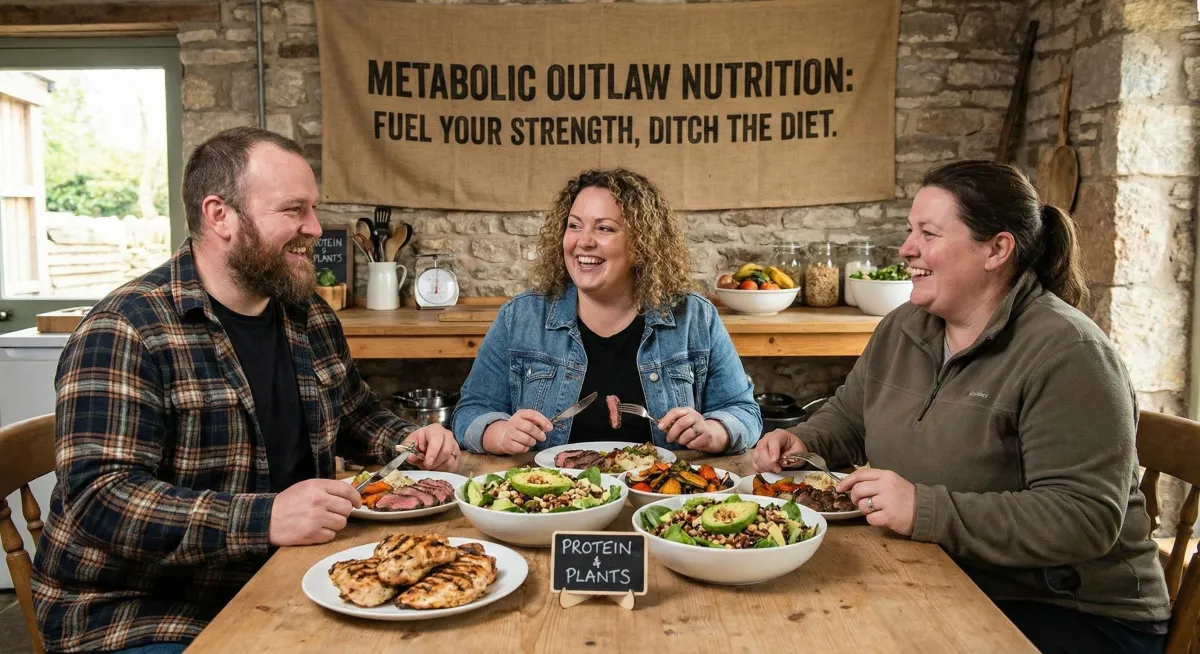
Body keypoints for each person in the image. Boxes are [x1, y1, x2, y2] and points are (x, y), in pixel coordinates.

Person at [32, 127, 460, 654]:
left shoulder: (306, 315)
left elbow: (355, 414)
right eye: (293, 210)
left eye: (313, 209)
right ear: (220, 216)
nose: (314, 228)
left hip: (279, 574)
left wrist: (408, 439)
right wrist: (266, 518)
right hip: (139, 610)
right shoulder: (125, 329)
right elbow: (101, 500)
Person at [753, 160, 1169, 654]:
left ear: (997, 249)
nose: (907, 249)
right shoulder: (903, 326)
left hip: (1071, 613)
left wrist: (923, 508)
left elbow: (1083, 519)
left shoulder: (1071, 354)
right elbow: (849, 416)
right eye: (911, 231)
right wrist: (805, 440)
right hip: (940, 570)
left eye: (928, 233)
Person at [452, 168, 761, 456]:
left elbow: (743, 412)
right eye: (574, 226)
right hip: (550, 501)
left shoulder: (695, 317)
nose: (583, 242)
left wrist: (714, 431)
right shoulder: (519, 317)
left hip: (660, 504)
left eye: (604, 228)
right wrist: (499, 433)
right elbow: (471, 411)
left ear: (641, 245)